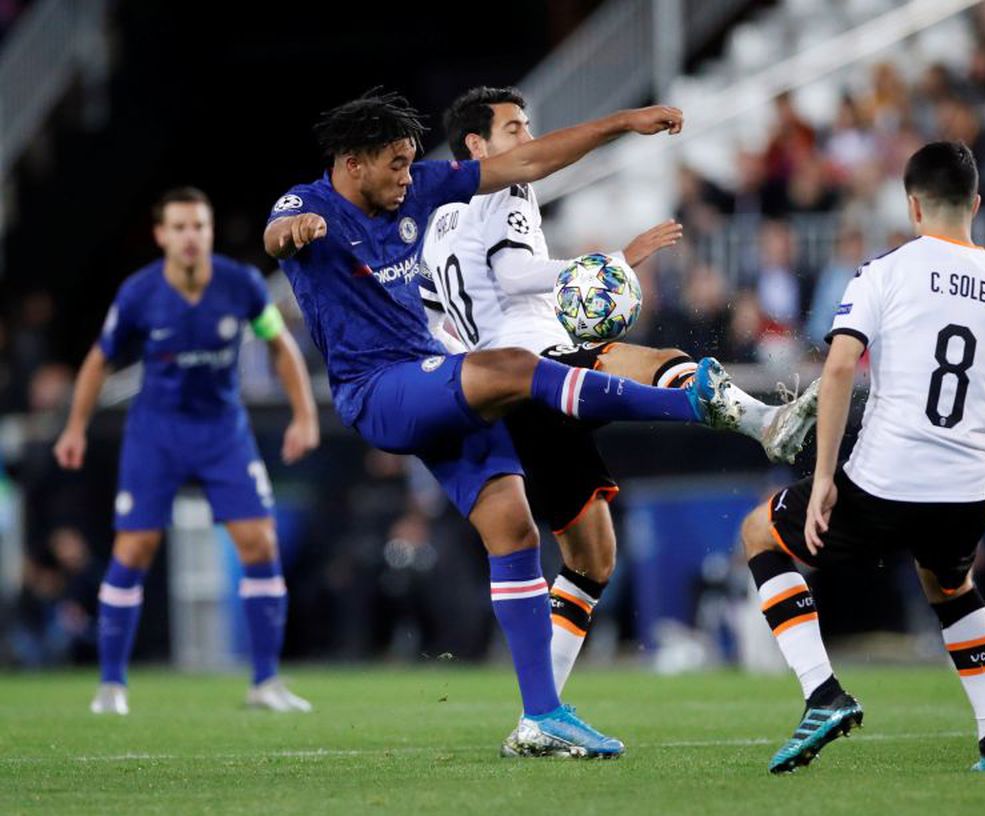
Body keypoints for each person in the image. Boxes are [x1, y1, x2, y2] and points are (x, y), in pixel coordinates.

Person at [262, 90, 816, 759]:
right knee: (515, 368)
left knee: (514, 526)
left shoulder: (419, 194)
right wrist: (288, 236)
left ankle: (541, 717)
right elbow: (276, 231)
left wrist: (619, 120)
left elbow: (528, 160)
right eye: (395, 165)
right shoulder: (308, 206)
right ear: (352, 163)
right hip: (378, 390)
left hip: (432, 379)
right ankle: (696, 404)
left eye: (412, 163)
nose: (408, 177)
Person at [423, 88, 795, 733]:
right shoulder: (505, 192)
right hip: (542, 365)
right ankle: (766, 422)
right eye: (514, 129)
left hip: (505, 394)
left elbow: (441, 321)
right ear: (476, 146)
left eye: (528, 125)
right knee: (662, 361)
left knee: (591, 557)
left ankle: (538, 718)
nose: (528, 139)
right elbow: (514, 278)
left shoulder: (437, 222)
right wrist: (605, 263)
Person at [737, 141, 985, 774]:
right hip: (965, 492)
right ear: (976, 204)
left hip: (884, 479)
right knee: (950, 583)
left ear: (912, 205)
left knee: (760, 533)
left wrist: (825, 475)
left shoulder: (886, 270)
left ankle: (823, 695)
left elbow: (836, 369)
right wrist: (976, 460)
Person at [55, 187, 320, 716]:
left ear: (210, 231)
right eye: (179, 228)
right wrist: (75, 428)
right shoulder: (138, 294)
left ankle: (265, 682)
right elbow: (97, 361)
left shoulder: (241, 285)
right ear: (161, 236)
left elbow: (279, 346)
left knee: (261, 544)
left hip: (223, 432)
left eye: (198, 225)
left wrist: (305, 414)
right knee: (133, 552)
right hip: (156, 434)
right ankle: (111, 686)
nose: (190, 236)